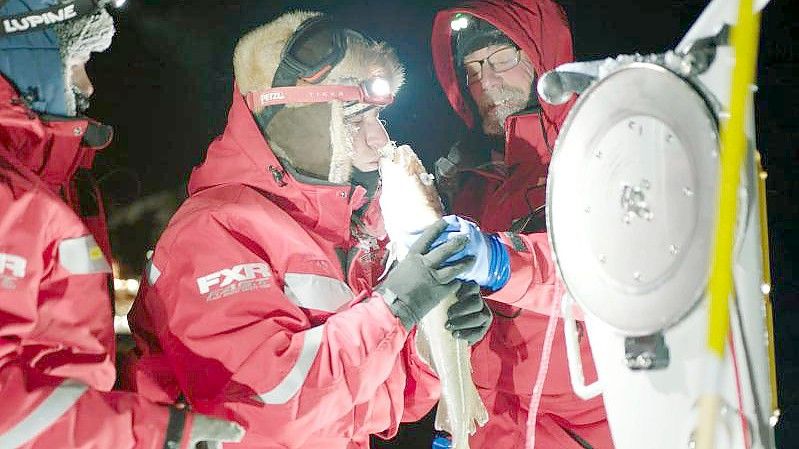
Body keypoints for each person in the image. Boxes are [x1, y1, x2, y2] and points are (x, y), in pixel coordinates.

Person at [123, 10, 492, 449]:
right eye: (355, 120)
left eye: (379, 119)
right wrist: (395, 307)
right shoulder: (215, 230)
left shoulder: (345, 234)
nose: (380, 140)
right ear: (301, 123)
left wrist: (431, 347)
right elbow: (263, 408)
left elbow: (369, 406)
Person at [0, 1, 242, 447]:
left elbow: (56, 368)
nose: (86, 84)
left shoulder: (47, 187)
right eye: (76, 62)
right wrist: (152, 432)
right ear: (25, 55)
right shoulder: (9, 198)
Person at [426, 1, 615, 448]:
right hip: (501, 429)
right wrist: (460, 422)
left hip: (595, 425)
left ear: (541, 56)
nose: (485, 82)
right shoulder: (469, 184)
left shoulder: (602, 150)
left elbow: (619, 275)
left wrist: (500, 260)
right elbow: (469, 330)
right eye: (471, 70)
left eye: (502, 60)